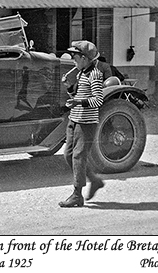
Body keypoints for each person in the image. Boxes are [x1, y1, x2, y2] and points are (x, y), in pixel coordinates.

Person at [59, 40, 104, 207]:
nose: (73, 61)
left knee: (78, 156)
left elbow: (98, 100)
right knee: (68, 155)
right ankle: (94, 180)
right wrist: (70, 88)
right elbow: (77, 96)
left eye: (75, 57)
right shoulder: (81, 73)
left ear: (85, 58)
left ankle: (77, 195)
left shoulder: (95, 74)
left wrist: (78, 102)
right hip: (75, 119)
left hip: (86, 122)